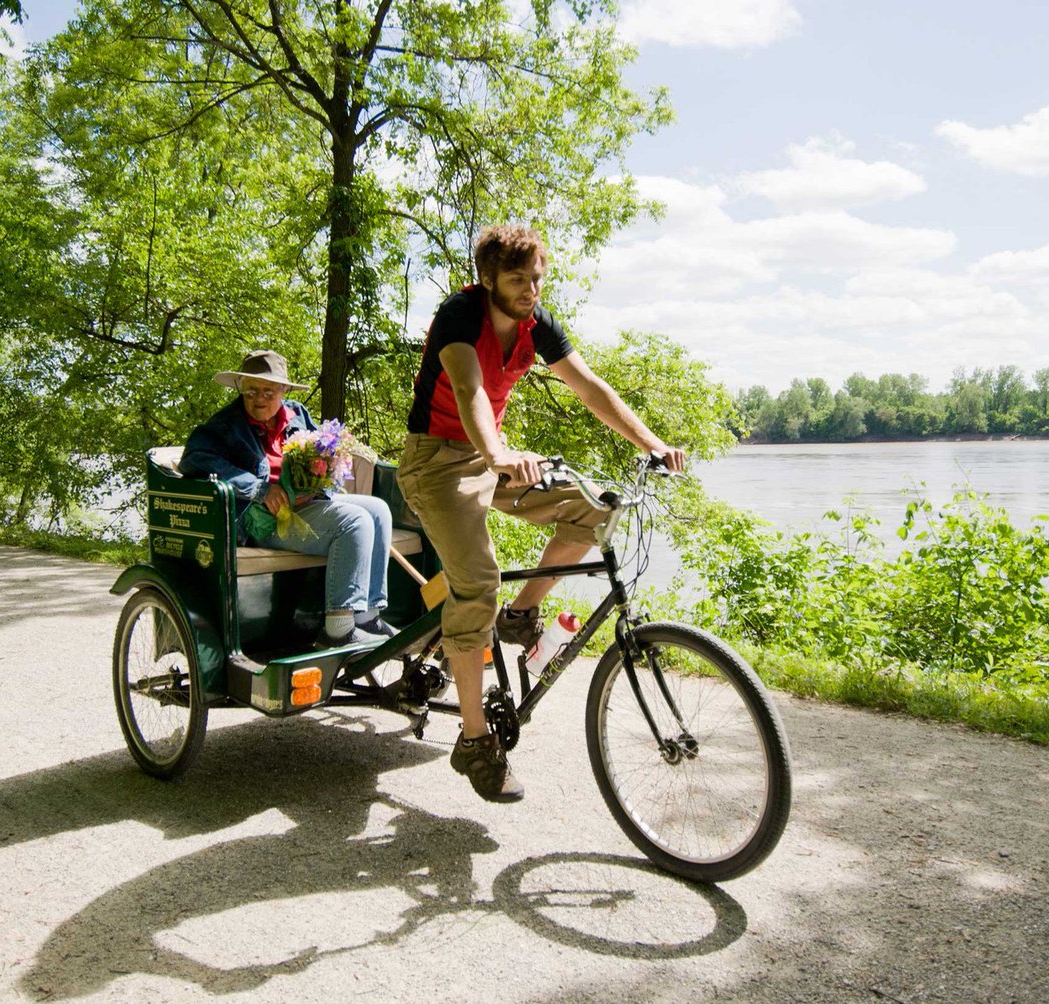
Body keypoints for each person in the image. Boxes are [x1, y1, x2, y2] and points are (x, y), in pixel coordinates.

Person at [397, 224, 685, 802]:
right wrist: (498, 452)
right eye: (516, 279)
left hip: (493, 459)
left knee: (591, 511)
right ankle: (475, 740)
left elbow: (590, 387)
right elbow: (468, 389)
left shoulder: (538, 324)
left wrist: (651, 444)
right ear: (488, 279)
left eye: (535, 279)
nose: (530, 290)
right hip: (436, 461)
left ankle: (520, 614)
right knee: (476, 582)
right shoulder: (461, 315)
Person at [180, 349, 396, 647]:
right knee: (354, 522)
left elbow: (322, 456)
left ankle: (367, 616)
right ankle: (338, 628)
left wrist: (318, 484)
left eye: (268, 391)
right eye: (251, 390)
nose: (258, 399)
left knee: (378, 510)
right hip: (265, 520)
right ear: (240, 388)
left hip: (307, 506)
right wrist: (259, 489)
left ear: (283, 390)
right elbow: (193, 458)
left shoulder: (297, 415)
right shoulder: (226, 425)